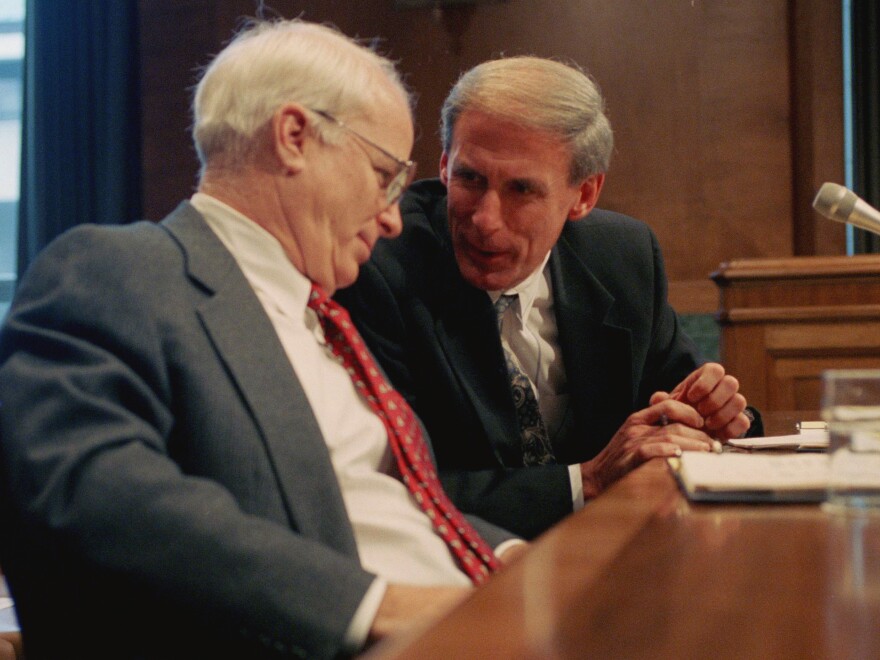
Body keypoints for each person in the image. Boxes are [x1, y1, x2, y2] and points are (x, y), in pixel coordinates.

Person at [0, 20, 523, 660]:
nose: (392, 217)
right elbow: (94, 495)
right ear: (295, 137)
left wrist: (519, 560)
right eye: (384, 174)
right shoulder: (119, 271)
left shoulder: (328, 318)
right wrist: (380, 605)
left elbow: (392, 503)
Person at [336, 56, 758, 539]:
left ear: (583, 195)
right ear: (444, 166)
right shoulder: (379, 265)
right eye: (470, 178)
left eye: (521, 190)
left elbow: (682, 398)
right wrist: (588, 481)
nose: (484, 219)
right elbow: (391, 487)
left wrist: (717, 418)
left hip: (618, 551)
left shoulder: (623, 257)